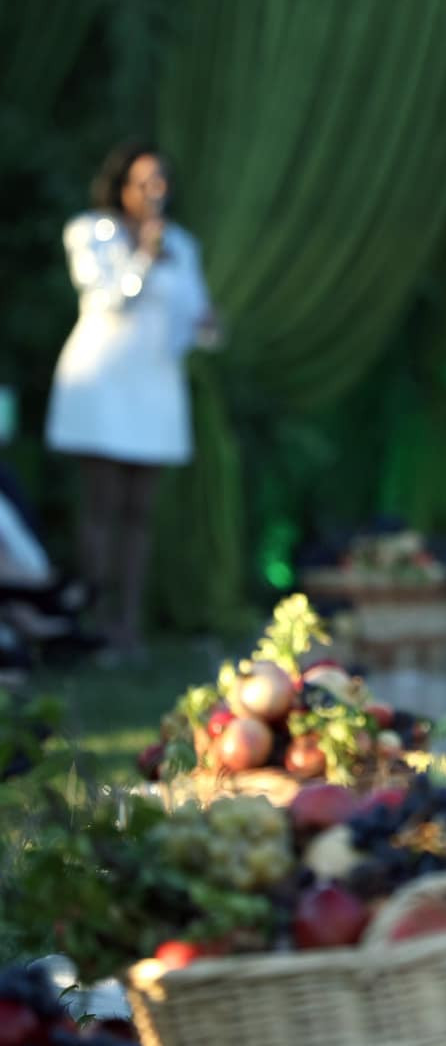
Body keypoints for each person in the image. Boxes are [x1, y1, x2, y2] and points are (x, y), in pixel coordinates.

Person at [45, 142, 219, 659]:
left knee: (140, 512)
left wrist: (208, 327)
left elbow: (193, 314)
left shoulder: (182, 244)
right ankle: (91, 623)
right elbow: (107, 299)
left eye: (161, 181)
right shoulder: (90, 232)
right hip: (100, 383)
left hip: (155, 387)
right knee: (102, 504)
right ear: (121, 186)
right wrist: (143, 254)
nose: (155, 192)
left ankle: (129, 627)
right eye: (143, 182)